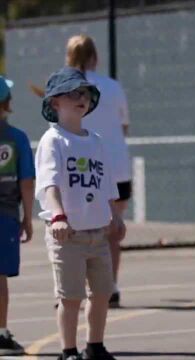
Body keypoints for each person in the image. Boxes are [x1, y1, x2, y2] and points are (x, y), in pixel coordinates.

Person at [35, 66, 125, 360]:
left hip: (98, 234)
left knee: (101, 294)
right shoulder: (53, 141)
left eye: (84, 93)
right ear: (54, 103)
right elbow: (49, 184)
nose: (81, 98)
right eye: (73, 93)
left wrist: (117, 215)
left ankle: (95, 346)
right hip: (68, 235)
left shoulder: (95, 140)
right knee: (70, 298)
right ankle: (68, 350)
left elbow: (108, 183)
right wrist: (58, 216)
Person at [65, 34, 132, 308]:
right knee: (113, 230)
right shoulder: (113, 87)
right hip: (117, 166)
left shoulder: (68, 89)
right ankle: (110, 287)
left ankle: (76, 290)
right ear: (95, 56)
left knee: (79, 231)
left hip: (83, 170)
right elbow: (124, 125)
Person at [0, 76, 35, 356]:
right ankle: (1, 332)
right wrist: (28, 217)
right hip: (6, 216)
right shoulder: (18, 138)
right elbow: (27, 181)